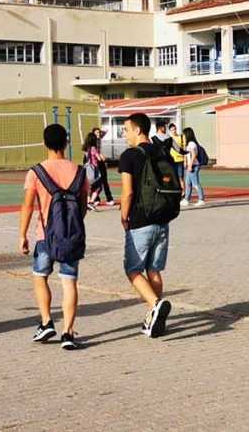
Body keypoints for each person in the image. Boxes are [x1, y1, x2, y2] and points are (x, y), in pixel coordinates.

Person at [20, 124, 88, 350]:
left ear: (44, 143)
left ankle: (47, 321)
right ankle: (68, 332)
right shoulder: (79, 171)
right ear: (66, 143)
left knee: (40, 276)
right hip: (71, 236)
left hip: (44, 235)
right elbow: (82, 206)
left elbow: (28, 206)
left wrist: (22, 235)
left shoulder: (36, 172)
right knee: (69, 282)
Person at [118, 112, 173, 338]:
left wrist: (124, 216)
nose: (124, 134)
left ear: (138, 130)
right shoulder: (162, 151)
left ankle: (155, 304)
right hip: (162, 218)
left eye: (126, 130)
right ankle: (154, 317)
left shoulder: (129, 155)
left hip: (140, 220)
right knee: (153, 269)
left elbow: (128, 192)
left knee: (133, 269)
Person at [181, 127, 205, 206]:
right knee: (188, 183)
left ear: (187, 135)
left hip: (194, 166)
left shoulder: (192, 143)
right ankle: (186, 199)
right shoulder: (189, 144)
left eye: (184, 134)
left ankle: (201, 199)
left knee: (195, 183)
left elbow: (194, 155)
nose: (183, 136)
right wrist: (186, 163)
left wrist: (190, 165)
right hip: (191, 165)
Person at [90, 127, 115, 205]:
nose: (98, 134)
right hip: (95, 164)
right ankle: (96, 199)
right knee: (95, 182)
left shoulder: (99, 139)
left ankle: (109, 199)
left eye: (99, 132)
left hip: (100, 163)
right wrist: (100, 156)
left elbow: (106, 130)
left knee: (104, 181)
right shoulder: (92, 143)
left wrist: (100, 131)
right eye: (96, 133)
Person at [82, 132, 106, 210]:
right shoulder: (93, 148)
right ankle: (91, 202)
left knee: (90, 187)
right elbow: (99, 158)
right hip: (94, 170)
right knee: (99, 187)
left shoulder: (86, 149)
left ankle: (88, 202)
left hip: (87, 170)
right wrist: (101, 156)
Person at [168, 123, 186, 192]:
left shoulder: (181, 137)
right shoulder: (169, 139)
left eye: (175, 129)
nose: (174, 131)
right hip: (172, 160)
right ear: (170, 131)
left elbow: (184, 149)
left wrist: (185, 160)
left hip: (180, 160)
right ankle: (175, 192)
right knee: (173, 177)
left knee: (180, 177)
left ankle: (183, 192)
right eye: (172, 130)